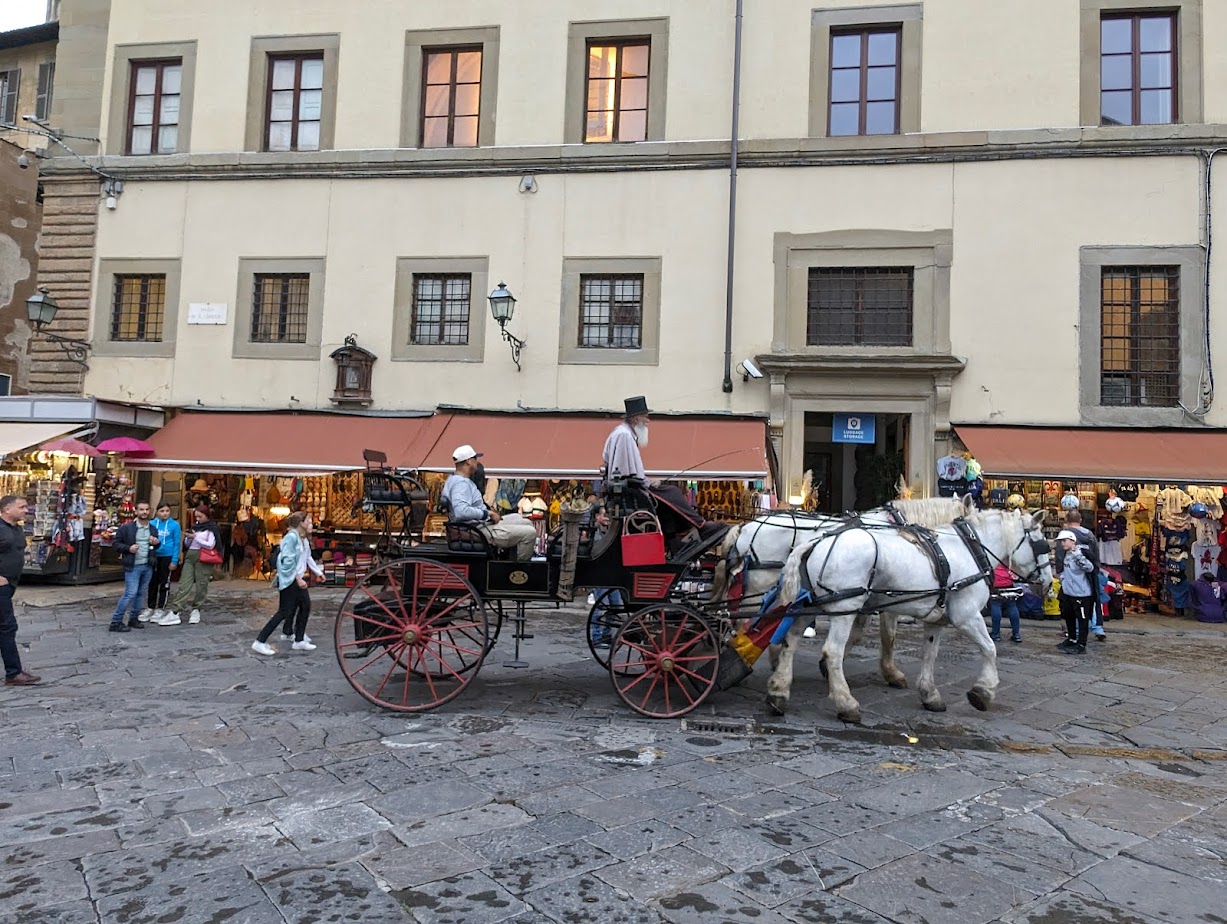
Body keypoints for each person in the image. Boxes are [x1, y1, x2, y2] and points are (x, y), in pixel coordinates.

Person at [601, 396, 725, 550]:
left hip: (631, 487)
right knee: (672, 492)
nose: (648, 421)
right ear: (635, 419)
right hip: (633, 490)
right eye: (645, 417)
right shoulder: (624, 435)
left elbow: (625, 468)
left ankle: (673, 538)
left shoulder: (622, 432)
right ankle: (700, 526)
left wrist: (647, 480)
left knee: (667, 497)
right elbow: (627, 472)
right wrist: (648, 482)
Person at [443, 445, 538, 560]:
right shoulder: (461, 484)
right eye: (475, 459)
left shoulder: (455, 480)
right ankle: (518, 571)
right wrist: (487, 513)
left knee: (523, 520)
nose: (477, 462)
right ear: (468, 462)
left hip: (476, 525)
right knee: (530, 533)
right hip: (476, 529)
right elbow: (461, 511)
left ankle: (509, 558)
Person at [253, 512, 321, 655]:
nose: (311, 524)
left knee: (304, 606)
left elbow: (307, 558)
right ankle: (260, 641)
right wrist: (298, 578)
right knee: (284, 611)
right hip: (289, 579)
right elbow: (287, 561)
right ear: (301, 523)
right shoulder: (291, 538)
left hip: (296, 579)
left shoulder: (304, 540)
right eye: (308, 521)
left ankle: (299, 639)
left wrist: (318, 572)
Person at [157, 505, 220, 626]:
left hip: (203, 557)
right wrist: (188, 538)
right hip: (190, 556)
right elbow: (187, 544)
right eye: (196, 516)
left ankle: (196, 609)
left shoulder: (211, 528)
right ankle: (176, 611)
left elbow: (210, 545)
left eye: (200, 516)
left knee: (202, 584)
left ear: (206, 516)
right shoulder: (195, 527)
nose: (198, 519)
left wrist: (195, 537)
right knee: (184, 583)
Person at [0, 494, 39, 686]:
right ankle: (13, 673)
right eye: (22, 507)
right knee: (7, 627)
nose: (26, 510)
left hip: (10, 585)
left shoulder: (17, 529)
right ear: (7, 509)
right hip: (1, 586)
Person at [109, 501, 160, 632]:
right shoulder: (127, 528)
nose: (144, 512)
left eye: (147, 509)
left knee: (141, 593)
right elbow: (115, 544)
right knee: (130, 593)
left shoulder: (153, 529)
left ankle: (134, 619)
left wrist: (156, 543)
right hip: (133, 565)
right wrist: (128, 548)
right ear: (136, 511)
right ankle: (116, 622)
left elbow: (155, 546)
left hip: (147, 565)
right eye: (141, 510)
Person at [585, 505, 623, 648]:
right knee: (601, 606)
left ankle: (606, 635)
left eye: (608, 515)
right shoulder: (594, 533)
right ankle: (596, 637)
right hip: (600, 575)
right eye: (603, 515)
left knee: (616, 605)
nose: (607, 518)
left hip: (610, 575)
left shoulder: (608, 531)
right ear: (596, 517)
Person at [1056, 529, 1095, 654]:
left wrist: (1078, 556)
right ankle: (1072, 638)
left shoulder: (1079, 554)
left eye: (1064, 540)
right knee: (1069, 616)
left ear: (1072, 541)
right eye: (1061, 541)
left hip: (1081, 593)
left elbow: (1089, 568)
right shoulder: (1066, 554)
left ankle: (1081, 643)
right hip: (1068, 592)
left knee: (1082, 619)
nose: (1062, 543)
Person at [142, 501, 180, 623]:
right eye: (162, 511)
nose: (164, 513)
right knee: (152, 581)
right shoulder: (152, 524)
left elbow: (176, 544)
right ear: (157, 512)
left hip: (167, 556)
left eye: (167, 511)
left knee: (164, 582)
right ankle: (150, 607)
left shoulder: (174, 525)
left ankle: (161, 608)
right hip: (154, 556)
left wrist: (174, 560)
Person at [988, 562, 1023, 644]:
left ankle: (995, 634)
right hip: (1009, 584)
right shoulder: (1007, 559)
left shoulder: (994, 560)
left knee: (996, 606)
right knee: (1012, 607)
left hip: (996, 585)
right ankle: (1016, 634)